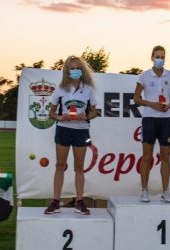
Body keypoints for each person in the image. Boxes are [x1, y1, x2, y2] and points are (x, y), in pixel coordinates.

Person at [44, 55, 98, 215]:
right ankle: (55, 202)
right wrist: (62, 117)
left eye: (77, 68)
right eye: (72, 69)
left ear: (82, 70)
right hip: (63, 129)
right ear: (67, 71)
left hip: (81, 130)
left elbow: (95, 112)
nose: (75, 71)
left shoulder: (88, 89)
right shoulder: (61, 88)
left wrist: (86, 116)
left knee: (79, 167)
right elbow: (51, 113)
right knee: (60, 166)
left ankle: (79, 202)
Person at [133, 45, 170, 203]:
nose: (160, 59)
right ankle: (144, 190)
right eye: (157, 56)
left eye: (162, 56)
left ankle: (166, 191)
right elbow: (136, 98)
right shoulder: (145, 76)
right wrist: (151, 104)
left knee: (166, 157)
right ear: (152, 57)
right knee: (147, 156)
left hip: (167, 118)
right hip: (149, 118)